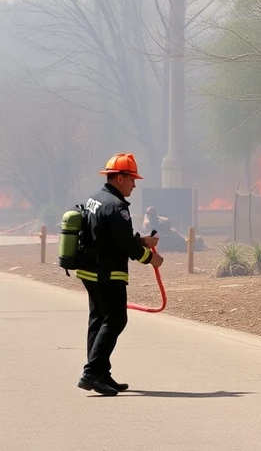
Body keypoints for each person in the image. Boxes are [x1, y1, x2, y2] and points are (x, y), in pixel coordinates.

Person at [76, 153, 164, 396]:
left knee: (98, 320)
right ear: (120, 178)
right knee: (116, 319)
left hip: (89, 270)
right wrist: (151, 258)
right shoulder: (117, 207)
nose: (135, 185)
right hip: (107, 273)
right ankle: (92, 372)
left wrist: (142, 240)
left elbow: (109, 236)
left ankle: (101, 373)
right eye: (132, 180)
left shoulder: (96, 199)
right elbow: (125, 245)